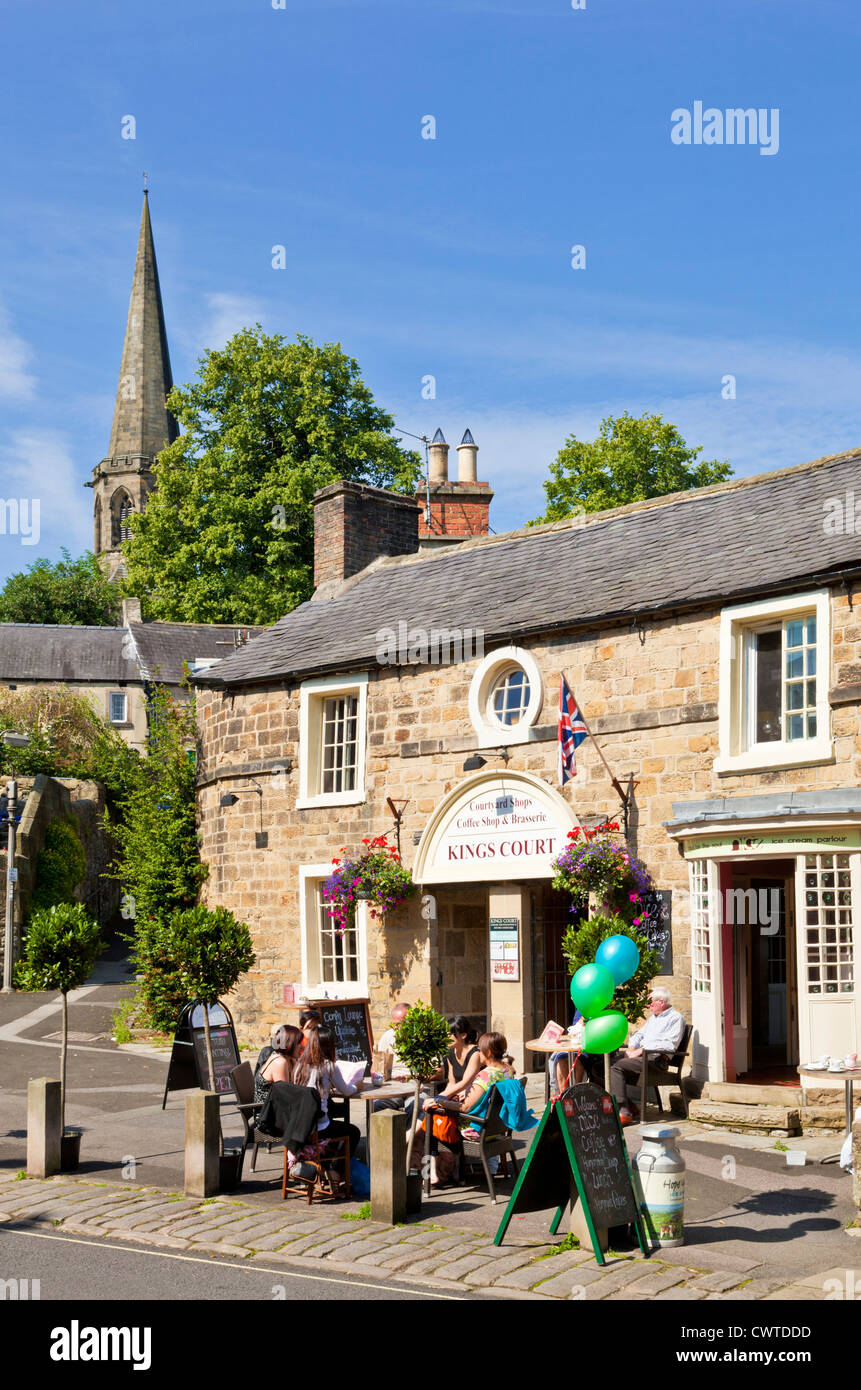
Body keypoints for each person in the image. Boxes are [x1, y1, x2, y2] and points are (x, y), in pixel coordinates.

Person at [587, 986, 685, 1125]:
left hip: (655, 1060)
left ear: (661, 1002)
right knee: (600, 1066)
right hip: (641, 1057)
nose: (648, 1005)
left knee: (615, 1067)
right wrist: (631, 1048)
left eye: (650, 1002)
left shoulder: (675, 1018)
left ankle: (623, 1112)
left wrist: (640, 1051)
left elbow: (668, 1045)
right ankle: (629, 1105)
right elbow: (638, 1035)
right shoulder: (654, 1018)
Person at [293, 1024, 363, 1188]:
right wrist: (357, 1086)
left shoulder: (299, 1065)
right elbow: (346, 1091)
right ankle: (334, 1170)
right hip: (318, 1127)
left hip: (299, 1126)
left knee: (333, 1117)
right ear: (329, 1046)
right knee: (353, 1131)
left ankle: (322, 1167)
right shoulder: (329, 1066)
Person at [254, 1024, 303, 1105]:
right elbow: (285, 1097)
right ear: (289, 1043)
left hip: (278, 1108)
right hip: (268, 1113)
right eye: (298, 1043)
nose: (302, 1047)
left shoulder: (290, 1059)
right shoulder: (279, 1062)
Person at [435, 1016, 482, 1101]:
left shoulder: (475, 1053)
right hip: (458, 1096)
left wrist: (438, 1098)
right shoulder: (450, 1053)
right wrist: (443, 1099)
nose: (445, 1037)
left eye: (449, 1034)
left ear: (463, 1035)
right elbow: (451, 1082)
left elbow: (465, 1083)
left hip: (473, 1097)